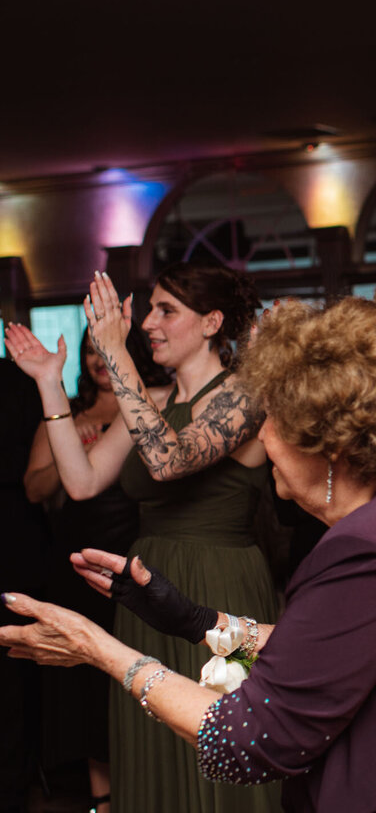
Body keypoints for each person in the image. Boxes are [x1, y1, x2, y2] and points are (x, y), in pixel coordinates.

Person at [0, 297, 376, 813]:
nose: (262, 435)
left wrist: (100, 650)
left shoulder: (369, 548)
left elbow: (247, 740)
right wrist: (191, 619)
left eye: (275, 418)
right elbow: (333, 655)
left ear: (331, 445)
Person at [4, 264, 279, 813]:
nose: (148, 323)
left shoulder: (245, 396)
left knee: (223, 744)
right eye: (149, 310)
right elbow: (80, 483)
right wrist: (49, 382)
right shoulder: (148, 399)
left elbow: (168, 461)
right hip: (148, 586)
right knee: (154, 735)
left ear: (212, 322)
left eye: (165, 311)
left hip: (220, 584)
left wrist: (115, 353)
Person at [23, 328, 170, 813]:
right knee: (87, 682)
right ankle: (102, 800)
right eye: (90, 352)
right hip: (79, 553)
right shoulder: (68, 415)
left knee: (139, 668)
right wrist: (80, 455)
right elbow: (34, 489)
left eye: (106, 349)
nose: (97, 360)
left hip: (136, 548)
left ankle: (150, 789)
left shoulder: (154, 404)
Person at [0, 357, 48, 813]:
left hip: (13, 536)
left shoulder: (20, 382)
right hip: (18, 533)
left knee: (16, 659)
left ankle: (18, 782)